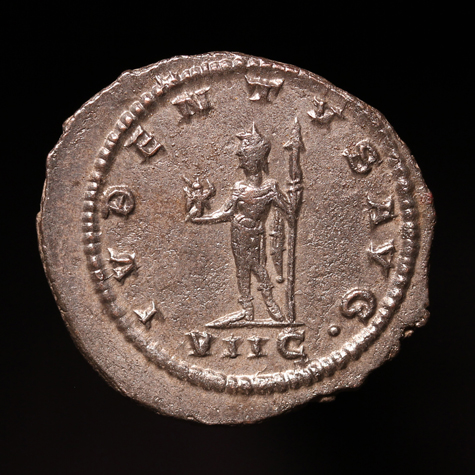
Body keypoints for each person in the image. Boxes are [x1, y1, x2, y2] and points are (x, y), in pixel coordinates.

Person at [189, 123, 294, 322]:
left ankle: (270, 302)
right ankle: (247, 308)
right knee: (242, 270)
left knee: (258, 267)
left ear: (255, 160)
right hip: (239, 232)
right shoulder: (239, 188)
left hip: (256, 233)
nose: (240, 159)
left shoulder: (271, 188)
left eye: (243, 156)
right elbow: (226, 212)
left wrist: (293, 200)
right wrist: (201, 219)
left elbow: (289, 212)